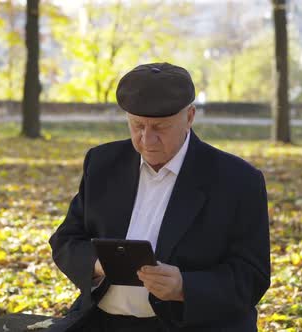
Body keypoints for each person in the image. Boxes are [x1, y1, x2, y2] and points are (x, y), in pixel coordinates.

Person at [48, 62, 270, 331]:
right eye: (137, 125)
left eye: (160, 128)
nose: (147, 140)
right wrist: (99, 264)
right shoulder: (102, 162)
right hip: (101, 321)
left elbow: (252, 277)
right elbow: (66, 240)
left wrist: (184, 287)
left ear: (189, 116)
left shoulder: (237, 180)